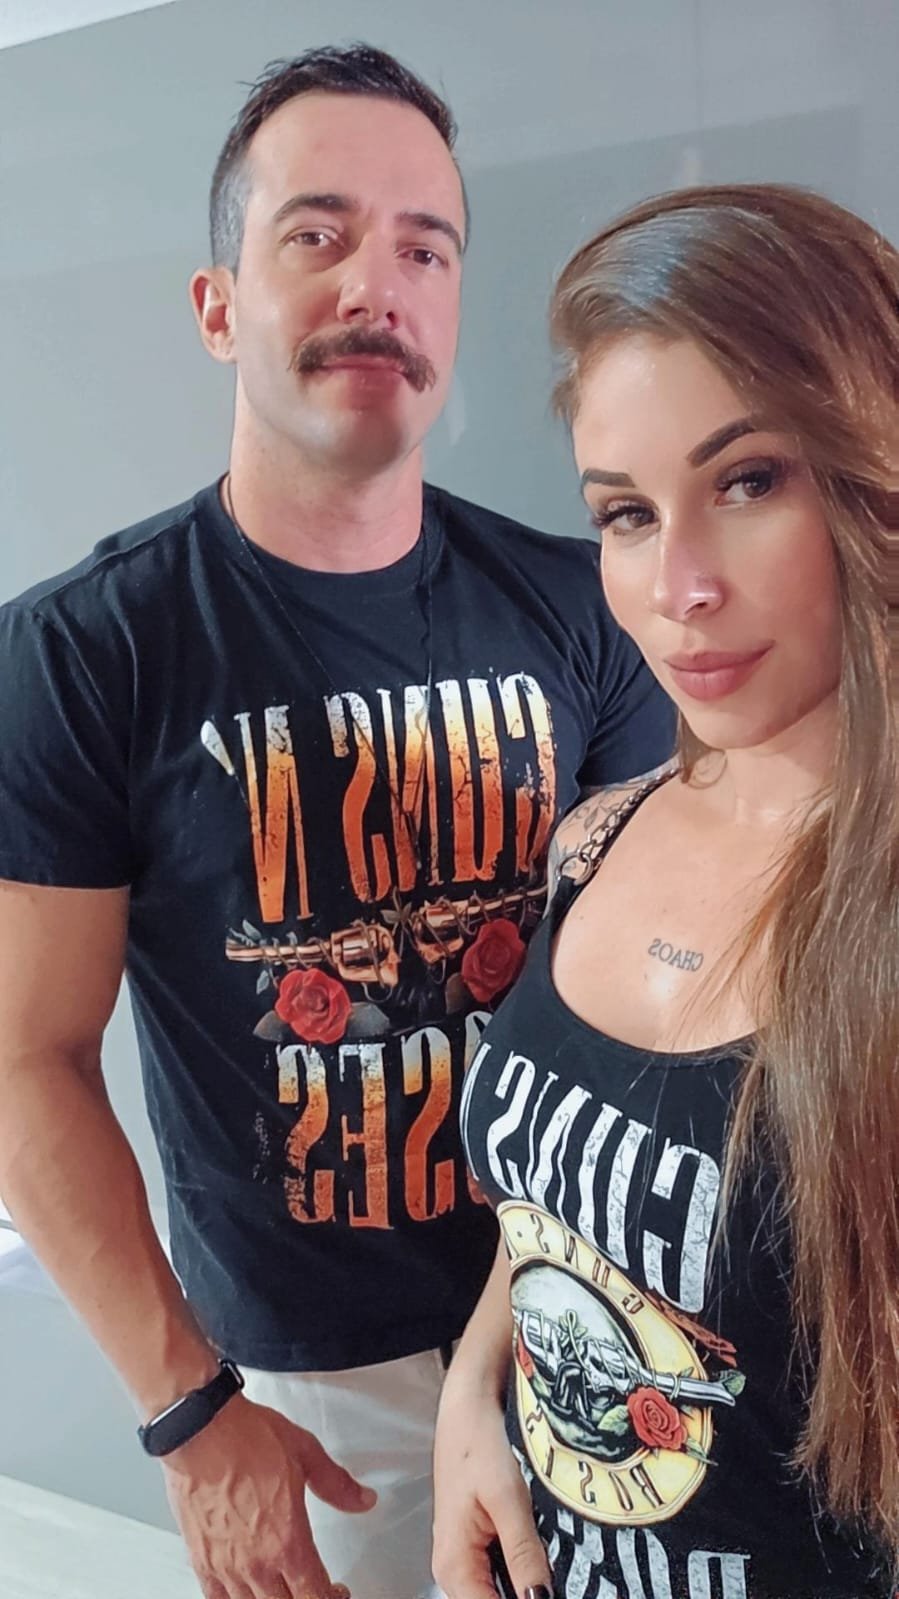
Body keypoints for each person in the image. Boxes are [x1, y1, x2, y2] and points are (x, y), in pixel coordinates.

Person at [0, 44, 674, 1599]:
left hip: (582, 1316)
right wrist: (186, 1414)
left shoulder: (591, 611)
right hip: (311, 1392)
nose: (379, 283)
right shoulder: (83, 652)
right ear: (217, 305)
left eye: (425, 248)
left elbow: (642, 996)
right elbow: (27, 1059)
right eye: (318, 234)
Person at [433, 183, 899, 1599]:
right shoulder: (598, 837)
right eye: (627, 514)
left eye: (748, 481)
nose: (677, 585)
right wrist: (472, 1394)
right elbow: (557, 1215)